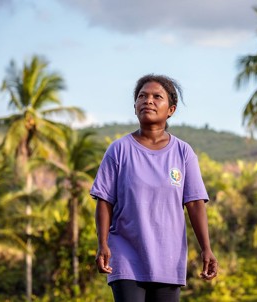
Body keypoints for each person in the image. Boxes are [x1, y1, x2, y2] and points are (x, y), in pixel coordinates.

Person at [91, 74, 218, 302]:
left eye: (156, 97)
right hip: (125, 255)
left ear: (171, 109)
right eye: (142, 96)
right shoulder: (118, 150)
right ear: (135, 106)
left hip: (168, 259)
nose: (147, 100)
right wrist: (102, 244)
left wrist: (206, 248)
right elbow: (104, 201)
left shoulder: (183, 153)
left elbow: (195, 204)